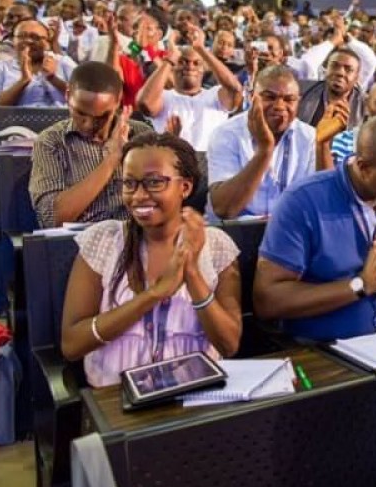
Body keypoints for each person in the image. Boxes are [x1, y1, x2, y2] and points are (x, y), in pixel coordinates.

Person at [60, 132, 243, 387]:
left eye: (154, 182)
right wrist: (154, 294)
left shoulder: (216, 245)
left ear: (185, 187)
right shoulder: (103, 240)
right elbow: (72, 345)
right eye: (129, 183)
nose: (138, 195)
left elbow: (228, 344)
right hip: (116, 395)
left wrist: (192, 274)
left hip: (194, 393)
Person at [254, 115, 376, 341]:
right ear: (363, 168)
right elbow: (268, 301)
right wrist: (360, 285)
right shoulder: (303, 201)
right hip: (327, 348)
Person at [29, 62, 153, 228]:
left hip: (137, 235)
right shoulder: (52, 141)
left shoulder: (141, 135)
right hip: (79, 240)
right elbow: (51, 218)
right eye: (80, 113)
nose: (88, 125)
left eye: (102, 117)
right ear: (68, 95)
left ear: (118, 101)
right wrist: (112, 160)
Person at [206, 65, 315, 219]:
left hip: (288, 228)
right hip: (235, 230)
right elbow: (225, 209)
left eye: (289, 99)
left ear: (299, 102)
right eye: (269, 97)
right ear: (251, 97)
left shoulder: (310, 137)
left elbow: (316, 203)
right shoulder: (226, 134)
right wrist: (265, 151)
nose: (279, 106)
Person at [135, 27, 244, 151]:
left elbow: (235, 89)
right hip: (173, 158)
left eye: (197, 63)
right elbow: (144, 102)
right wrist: (170, 60)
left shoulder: (215, 95)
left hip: (210, 160)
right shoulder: (164, 96)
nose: (190, 67)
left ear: (203, 69)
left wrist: (201, 49)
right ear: (173, 66)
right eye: (183, 62)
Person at [0, 18, 76, 115]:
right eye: (22, 36)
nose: (29, 41)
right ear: (13, 41)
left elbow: (83, 97)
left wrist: (53, 79)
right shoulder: (0, 67)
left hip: (62, 122)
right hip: (13, 123)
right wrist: (23, 81)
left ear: (47, 42)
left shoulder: (63, 63)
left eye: (36, 37)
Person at [296, 47, 367, 128]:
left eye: (348, 69)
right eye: (334, 66)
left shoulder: (365, 105)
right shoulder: (301, 90)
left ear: (356, 78)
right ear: (326, 69)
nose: (340, 72)